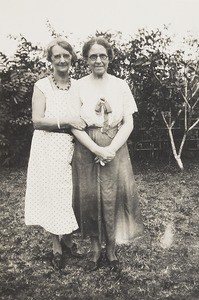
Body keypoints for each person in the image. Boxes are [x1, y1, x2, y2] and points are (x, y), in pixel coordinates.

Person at [71, 37, 144, 272]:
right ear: (86, 60)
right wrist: (96, 148)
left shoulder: (120, 85)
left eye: (102, 55)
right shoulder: (78, 85)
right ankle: (95, 249)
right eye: (93, 56)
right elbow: (74, 124)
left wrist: (110, 149)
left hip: (116, 147)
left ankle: (111, 249)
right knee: (90, 197)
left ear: (109, 58)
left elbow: (129, 122)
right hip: (87, 148)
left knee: (114, 196)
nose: (98, 60)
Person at [25, 37, 86, 270]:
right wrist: (66, 121)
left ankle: (69, 241)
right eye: (57, 56)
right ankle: (56, 246)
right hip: (47, 145)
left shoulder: (79, 86)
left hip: (73, 145)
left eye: (66, 55)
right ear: (50, 60)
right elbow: (37, 121)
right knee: (52, 193)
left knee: (70, 194)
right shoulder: (42, 85)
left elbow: (84, 116)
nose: (62, 60)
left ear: (72, 58)